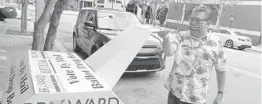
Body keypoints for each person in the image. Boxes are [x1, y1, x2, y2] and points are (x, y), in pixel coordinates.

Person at [158, 5, 227, 104]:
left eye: (198, 20)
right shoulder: (181, 36)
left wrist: (220, 94)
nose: (193, 23)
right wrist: (165, 38)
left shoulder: (216, 44)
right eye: (192, 19)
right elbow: (168, 52)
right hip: (175, 94)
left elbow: (221, 69)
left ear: (208, 24)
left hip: (196, 98)